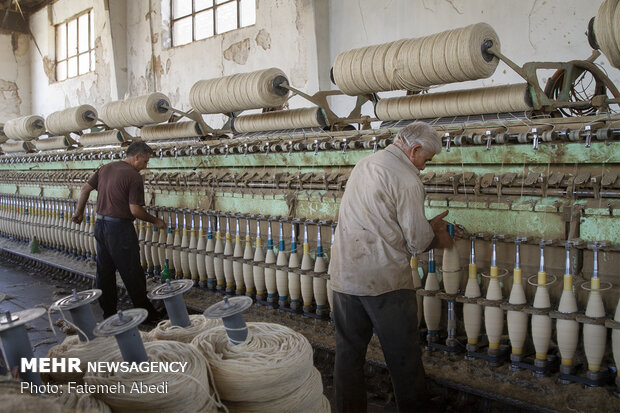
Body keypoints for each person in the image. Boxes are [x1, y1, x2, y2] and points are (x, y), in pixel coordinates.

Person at [328, 121, 461, 412]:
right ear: (414, 150)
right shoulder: (407, 179)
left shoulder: (365, 164)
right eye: (426, 160)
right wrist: (437, 235)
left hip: (344, 276)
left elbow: (380, 221)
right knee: (403, 359)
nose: (425, 167)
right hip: (384, 282)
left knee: (348, 356)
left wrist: (426, 228)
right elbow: (415, 241)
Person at [71, 141, 166, 323]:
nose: (145, 167)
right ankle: (146, 315)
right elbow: (135, 210)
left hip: (100, 226)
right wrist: (156, 220)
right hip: (120, 229)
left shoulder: (105, 168)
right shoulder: (134, 176)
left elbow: (84, 189)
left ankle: (109, 314)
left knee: (104, 272)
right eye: (145, 162)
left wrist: (79, 212)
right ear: (137, 156)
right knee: (132, 272)